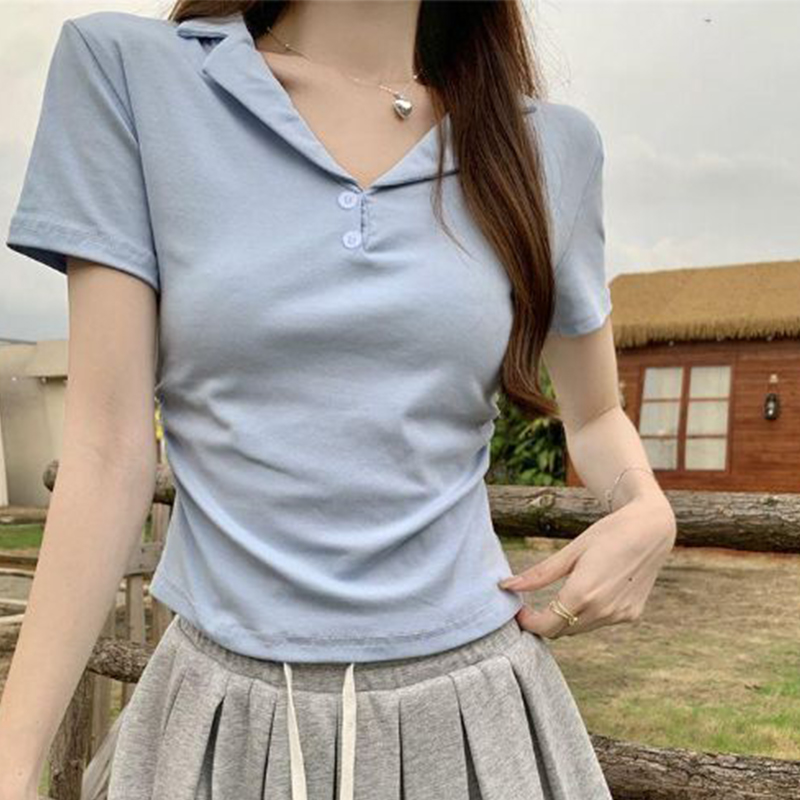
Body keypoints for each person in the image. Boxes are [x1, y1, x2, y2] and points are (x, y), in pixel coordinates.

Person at [0, 2, 677, 799]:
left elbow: (595, 414)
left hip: (475, 722)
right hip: (219, 724)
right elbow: (106, 447)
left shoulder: (550, 146)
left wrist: (646, 508)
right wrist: (13, 765)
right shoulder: (130, 74)